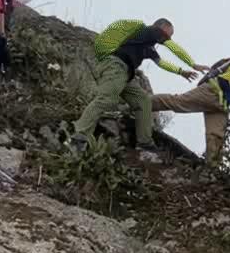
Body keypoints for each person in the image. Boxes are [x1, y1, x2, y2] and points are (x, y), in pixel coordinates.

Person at [70, 18, 208, 162]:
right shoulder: (147, 30)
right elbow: (173, 47)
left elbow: (161, 63)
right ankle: (78, 136)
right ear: (159, 27)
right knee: (106, 98)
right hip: (115, 66)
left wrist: (181, 72)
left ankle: (145, 144)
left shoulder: (149, 46)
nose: (167, 39)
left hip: (126, 74)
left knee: (143, 101)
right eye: (167, 35)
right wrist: (192, 64)